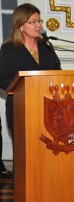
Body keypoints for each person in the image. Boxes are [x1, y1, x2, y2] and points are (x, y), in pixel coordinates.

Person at [0, 3, 61, 135]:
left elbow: (58, 71)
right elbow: (3, 79)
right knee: (25, 151)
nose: (39, 25)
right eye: (33, 22)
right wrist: (25, 87)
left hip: (49, 107)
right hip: (21, 107)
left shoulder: (46, 46)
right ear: (20, 25)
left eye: (39, 21)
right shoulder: (9, 48)